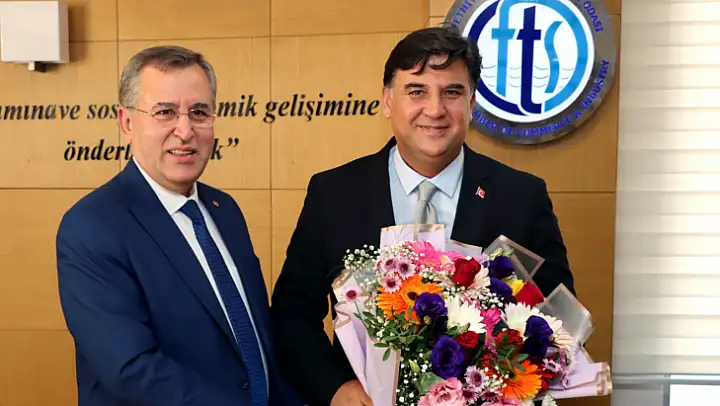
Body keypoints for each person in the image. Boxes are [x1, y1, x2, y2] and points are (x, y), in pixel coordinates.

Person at [271, 27, 576, 406]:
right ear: (387, 100)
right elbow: (292, 315)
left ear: (471, 102)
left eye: (452, 92)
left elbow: (558, 320)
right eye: (417, 91)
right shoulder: (334, 194)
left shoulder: (521, 196)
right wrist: (336, 389)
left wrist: (503, 388)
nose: (434, 110)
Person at [56, 45, 301, 406]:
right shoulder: (92, 226)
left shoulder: (225, 210)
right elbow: (132, 370)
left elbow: (257, 339)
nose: (185, 131)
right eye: (165, 112)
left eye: (198, 112)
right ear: (126, 123)